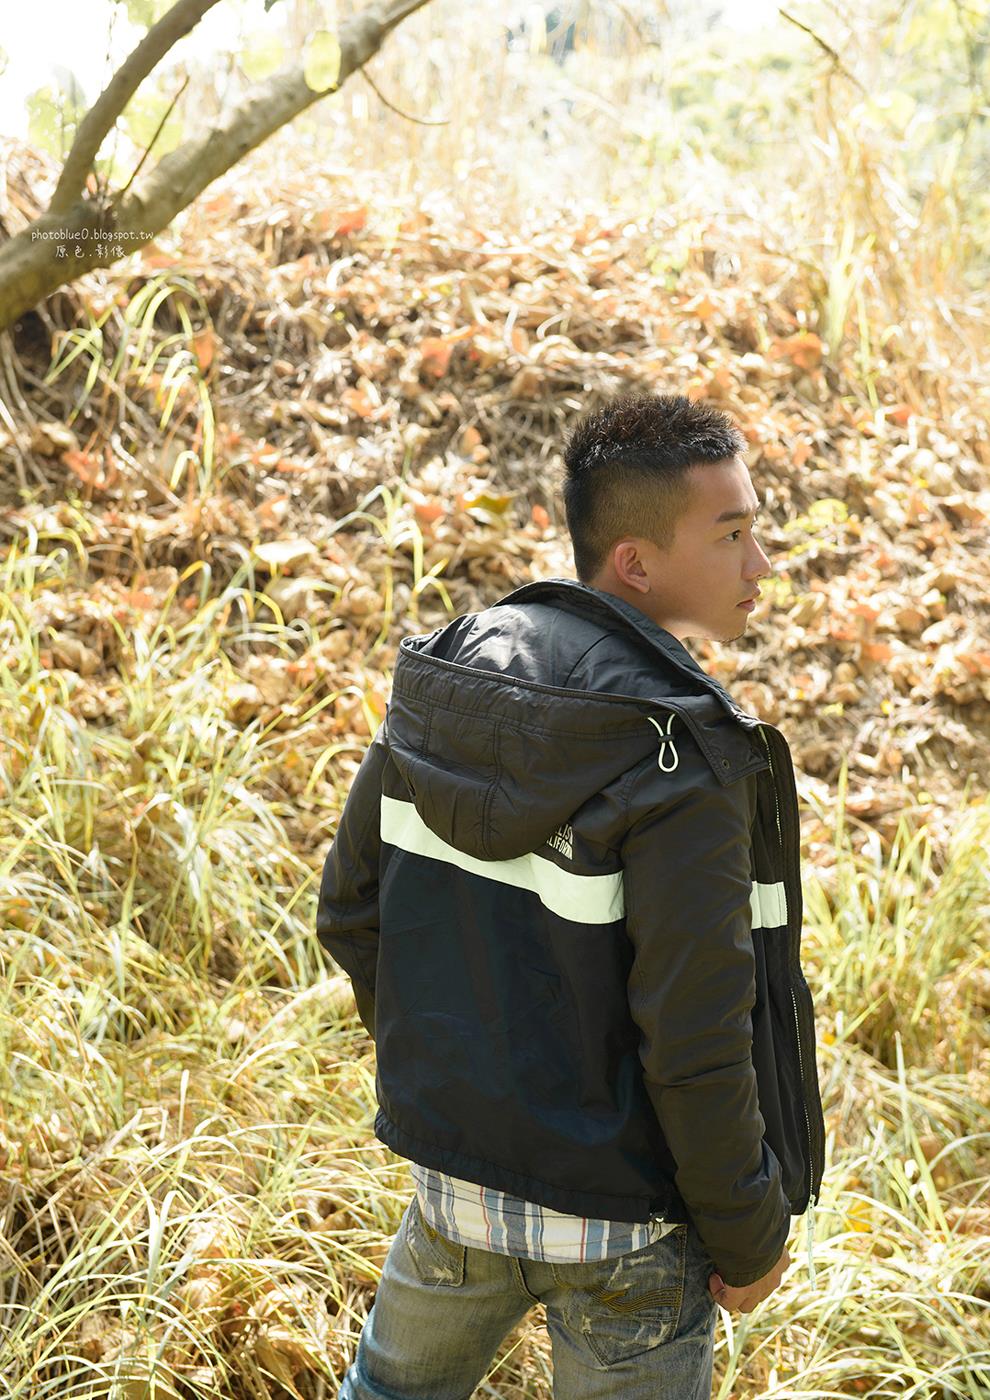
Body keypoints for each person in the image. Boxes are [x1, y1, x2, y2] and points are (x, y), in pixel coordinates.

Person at [317, 391, 826, 1400]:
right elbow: (696, 1038)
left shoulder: (451, 676)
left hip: (456, 1196)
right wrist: (749, 1232)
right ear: (635, 561)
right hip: (629, 1232)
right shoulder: (685, 758)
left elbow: (350, 912)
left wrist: (463, 1089)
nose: (762, 564)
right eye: (732, 535)